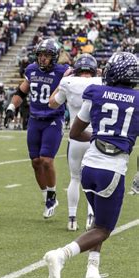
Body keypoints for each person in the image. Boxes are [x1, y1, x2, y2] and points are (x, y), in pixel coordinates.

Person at [44, 52, 138, 278]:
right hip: (113, 169)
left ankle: (93, 271)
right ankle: (61, 255)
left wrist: (99, 138)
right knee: (103, 229)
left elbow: (75, 132)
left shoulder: (96, 93)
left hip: (89, 166)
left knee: (98, 221)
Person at [5, 38, 69, 219]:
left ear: (54, 57)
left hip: (53, 120)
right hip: (34, 120)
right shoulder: (31, 69)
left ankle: (52, 193)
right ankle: (46, 197)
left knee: (47, 160)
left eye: (47, 55)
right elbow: (21, 92)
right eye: (40, 55)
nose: (42, 59)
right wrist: (11, 108)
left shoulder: (63, 72)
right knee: (35, 162)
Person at [48, 53, 101, 231]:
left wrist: (62, 80)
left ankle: (72, 219)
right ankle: (90, 217)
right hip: (95, 137)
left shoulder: (68, 83)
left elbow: (52, 104)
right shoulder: (101, 83)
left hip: (76, 136)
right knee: (94, 180)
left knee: (75, 178)